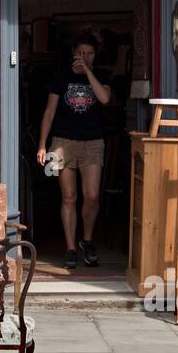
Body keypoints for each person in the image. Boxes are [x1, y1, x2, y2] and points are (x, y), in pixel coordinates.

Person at [36, 32, 112, 268]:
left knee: (91, 196)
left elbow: (105, 99)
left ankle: (86, 240)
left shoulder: (101, 74)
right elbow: (49, 112)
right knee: (68, 196)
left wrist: (88, 72)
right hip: (62, 142)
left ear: (95, 55)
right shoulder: (61, 76)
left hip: (92, 141)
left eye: (89, 53)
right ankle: (70, 248)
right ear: (73, 53)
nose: (85, 57)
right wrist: (42, 144)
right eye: (81, 53)